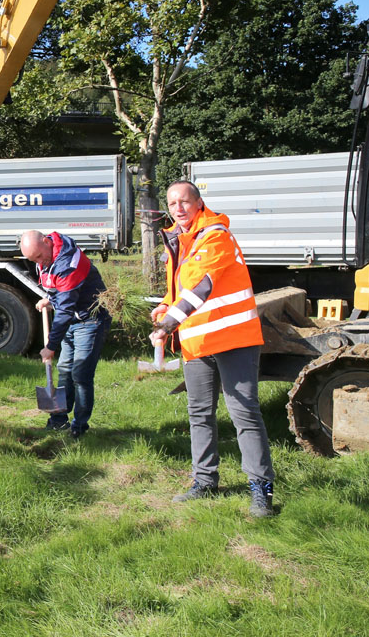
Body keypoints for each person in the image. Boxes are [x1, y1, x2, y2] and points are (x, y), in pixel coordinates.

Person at [150, 180, 275, 518]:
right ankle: (204, 482)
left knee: (244, 415)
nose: (179, 209)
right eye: (173, 203)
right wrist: (165, 306)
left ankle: (261, 492)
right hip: (197, 342)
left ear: (199, 203)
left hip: (234, 340)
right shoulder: (179, 239)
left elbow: (201, 288)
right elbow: (180, 288)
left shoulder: (215, 235)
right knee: (199, 415)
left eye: (185, 202)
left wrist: (166, 327)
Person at [19, 229, 112, 438]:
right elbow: (62, 292)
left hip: (89, 321)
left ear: (46, 242)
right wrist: (51, 300)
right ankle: (59, 420)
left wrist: (50, 347)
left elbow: (66, 309)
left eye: (40, 257)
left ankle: (79, 427)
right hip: (73, 319)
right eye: (34, 260)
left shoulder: (70, 263)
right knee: (64, 369)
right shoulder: (45, 255)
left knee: (80, 373)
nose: (39, 263)